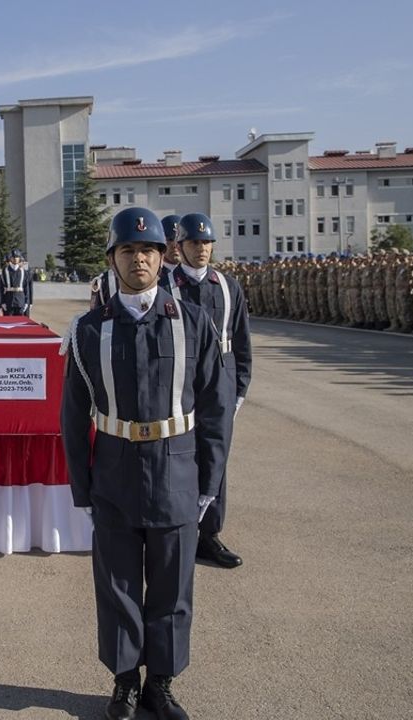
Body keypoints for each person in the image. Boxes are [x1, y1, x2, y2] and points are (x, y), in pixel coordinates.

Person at [62, 206, 230, 720]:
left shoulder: (194, 323)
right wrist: (81, 488)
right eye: (129, 251)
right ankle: (124, 683)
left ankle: (160, 683)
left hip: (176, 471)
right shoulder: (90, 330)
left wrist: (209, 482)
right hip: (113, 471)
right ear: (112, 259)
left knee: (172, 585)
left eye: (150, 251)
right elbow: (72, 414)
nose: (140, 259)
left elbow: (217, 407)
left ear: (166, 257)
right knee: (116, 586)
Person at [171, 212, 251, 570]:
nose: (201, 249)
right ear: (179, 246)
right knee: (178, 457)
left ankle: (209, 535)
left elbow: (242, 342)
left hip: (220, 386)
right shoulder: (166, 286)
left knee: (215, 459)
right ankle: (178, 529)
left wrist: (239, 390)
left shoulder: (227, 286)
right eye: (193, 243)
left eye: (206, 243)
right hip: (180, 385)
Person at [1, 249, 33, 316]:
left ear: (19, 258)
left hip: (20, 302)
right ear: (10, 258)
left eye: (17, 257)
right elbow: (2, 288)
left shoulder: (23, 271)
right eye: (13, 257)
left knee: (20, 324)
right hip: (9, 301)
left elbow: (26, 288)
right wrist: (3, 302)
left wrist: (27, 302)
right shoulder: (5, 271)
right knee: (8, 324)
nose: (15, 259)